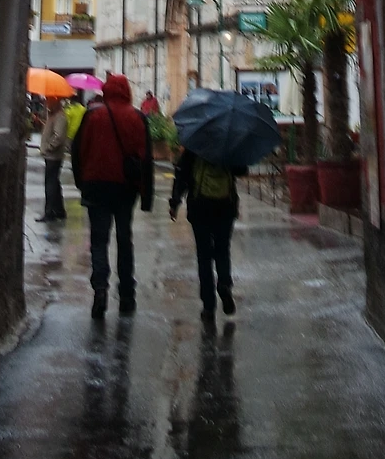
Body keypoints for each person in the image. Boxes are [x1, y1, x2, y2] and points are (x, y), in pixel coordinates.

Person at [71, 71, 153, 319]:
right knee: (124, 240)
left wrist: (82, 182)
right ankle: (127, 294)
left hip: (96, 186)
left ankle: (100, 289)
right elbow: (146, 159)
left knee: (99, 241)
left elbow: (78, 150)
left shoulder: (93, 116)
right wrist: (146, 197)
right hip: (126, 188)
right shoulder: (137, 117)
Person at [170, 147, 238, 325]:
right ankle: (224, 284)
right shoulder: (228, 144)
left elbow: (182, 175)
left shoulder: (194, 146)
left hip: (200, 206)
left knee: (204, 256)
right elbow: (241, 170)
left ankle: (208, 306)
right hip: (226, 205)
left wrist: (175, 202)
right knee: (222, 250)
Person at [37, 98, 69, 223]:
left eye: (49, 101)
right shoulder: (53, 115)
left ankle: (49, 212)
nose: (47, 103)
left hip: (53, 156)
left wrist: (48, 147)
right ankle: (59, 210)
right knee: (54, 182)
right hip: (51, 155)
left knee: (50, 183)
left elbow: (58, 136)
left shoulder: (60, 116)